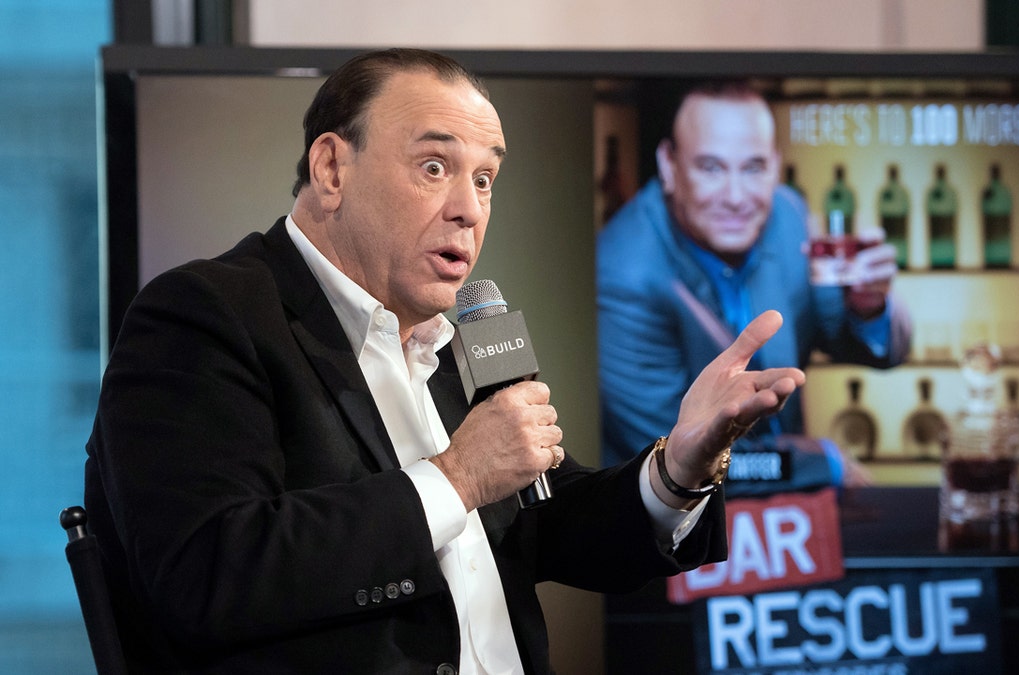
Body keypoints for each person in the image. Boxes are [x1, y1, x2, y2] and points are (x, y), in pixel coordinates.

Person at [83, 50, 806, 674]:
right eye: (435, 166)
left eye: (485, 178)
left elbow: (545, 523)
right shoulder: (203, 317)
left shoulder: (458, 335)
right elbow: (211, 574)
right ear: (331, 166)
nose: (469, 208)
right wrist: (456, 477)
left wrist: (676, 466)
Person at [597, 81, 912, 494]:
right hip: (669, 532)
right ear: (669, 166)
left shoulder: (787, 214)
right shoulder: (624, 272)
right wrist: (823, 464)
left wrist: (868, 307)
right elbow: (675, 459)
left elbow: (855, 338)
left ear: (776, 166)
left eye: (753, 168)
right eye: (711, 168)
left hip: (786, 530)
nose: (736, 197)